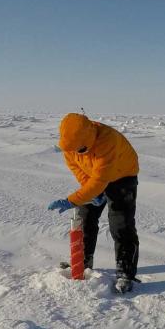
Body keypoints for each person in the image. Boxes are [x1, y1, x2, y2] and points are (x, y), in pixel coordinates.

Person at [48, 113, 140, 293]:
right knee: (85, 217)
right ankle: (83, 261)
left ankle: (125, 272)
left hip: (122, 176)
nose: (76, 152)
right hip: (95, 177)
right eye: (72, 149)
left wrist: (71, 200)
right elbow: (77, 168)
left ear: (89, 138)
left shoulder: (108, 140)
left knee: (120, 223)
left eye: (80, 149)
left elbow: (100, 180)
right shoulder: (71, 144)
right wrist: (87, 187)